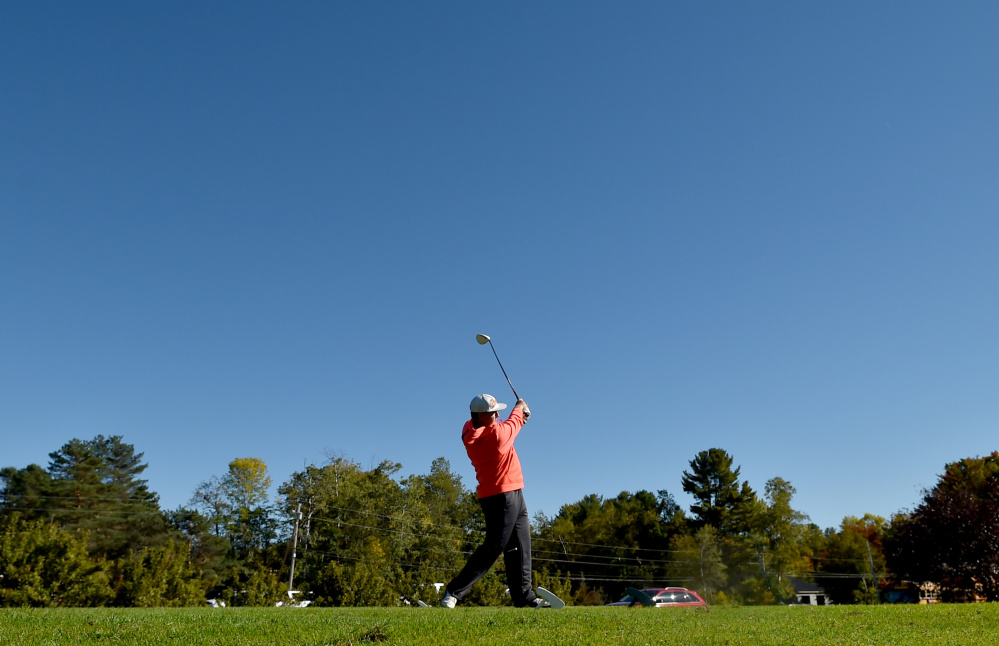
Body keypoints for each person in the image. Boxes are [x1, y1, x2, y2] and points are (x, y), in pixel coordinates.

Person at [440, 393, 546, 608]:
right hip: (502, 495)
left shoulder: (469, 428)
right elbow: (512, 424)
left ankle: (524, 597)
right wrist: (520, 407)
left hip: (510, 491)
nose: (497, 414)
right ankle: (454, 591)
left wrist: (520, 418)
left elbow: (512, 425)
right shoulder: (496, 436)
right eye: (492, 412)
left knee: (520, 545)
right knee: (494, 546)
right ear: (480, 415)